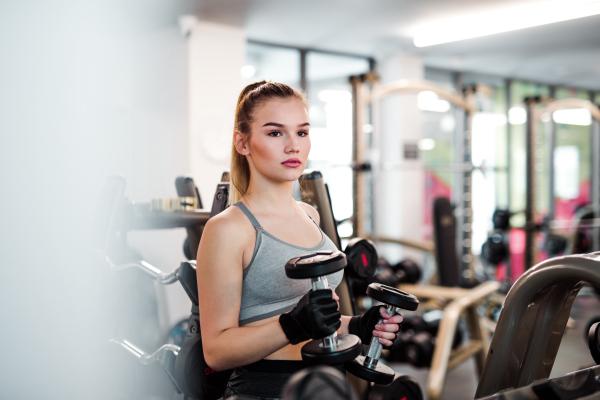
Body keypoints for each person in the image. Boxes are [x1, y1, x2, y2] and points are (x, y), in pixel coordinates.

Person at [196, 81, 403, 400]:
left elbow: (317, 316)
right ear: (243, 143)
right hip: (267, 390)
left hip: (329, 385)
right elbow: (217, 351)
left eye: (302, 132)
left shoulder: (310, 215)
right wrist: (291, 325)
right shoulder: (228, 229)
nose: (293, 146)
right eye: (275, 133)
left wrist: (357, 325)